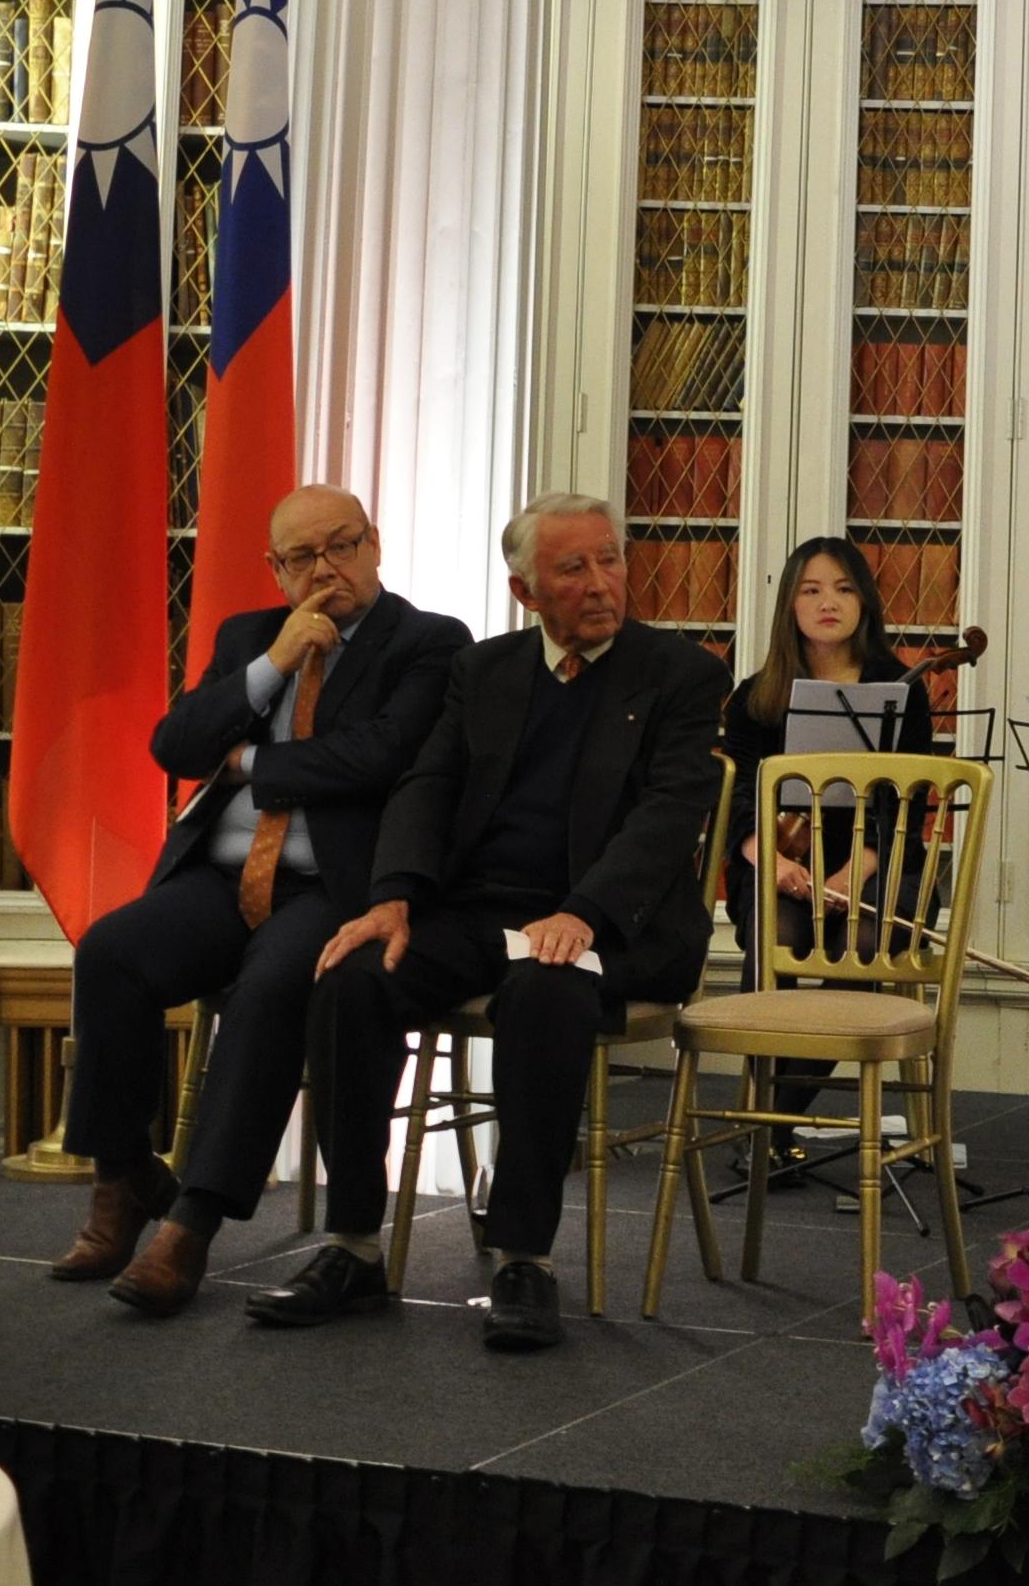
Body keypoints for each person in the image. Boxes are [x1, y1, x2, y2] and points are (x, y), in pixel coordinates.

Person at [253, 494, 729, 1351]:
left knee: (547, 993)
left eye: (610, 560)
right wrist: (391, 895)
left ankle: (522, 1258)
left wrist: (582, 913)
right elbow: (427, 785)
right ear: (525, 591)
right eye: (572, 568)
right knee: (352, 977)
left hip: (610, 922)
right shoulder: (488, 670)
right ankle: (355, 1244)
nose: (600, 584)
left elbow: (668, 814)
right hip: (475, 913)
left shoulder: (680, 675)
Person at [47, 486, 469, 1315]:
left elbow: (375, 759)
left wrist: (245, 764)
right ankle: (124, 1176)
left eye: (341, 547)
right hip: (222, 876)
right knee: (110, 954)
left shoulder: (427, 642)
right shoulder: (250, 636)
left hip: (330, 883)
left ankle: (190, 1228)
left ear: (375, 544)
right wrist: (274, 663)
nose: (326, 569)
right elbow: (174, 744)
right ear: (274, 569)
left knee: (272, 988)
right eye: (303, 557)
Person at [722, 538, 939, 1174]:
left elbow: (903, 806)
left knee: (863, 940)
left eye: (844, 589)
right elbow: (737, 797)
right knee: (780, 929)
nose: (828, 603)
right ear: (790, 603)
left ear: (865, 603)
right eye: (811, 589)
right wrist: (773, 861)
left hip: (876, 866)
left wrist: (850, 872)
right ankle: (768, 1122)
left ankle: (775, 1116)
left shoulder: (900, 693)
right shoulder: (755, 695)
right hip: (778, 860)